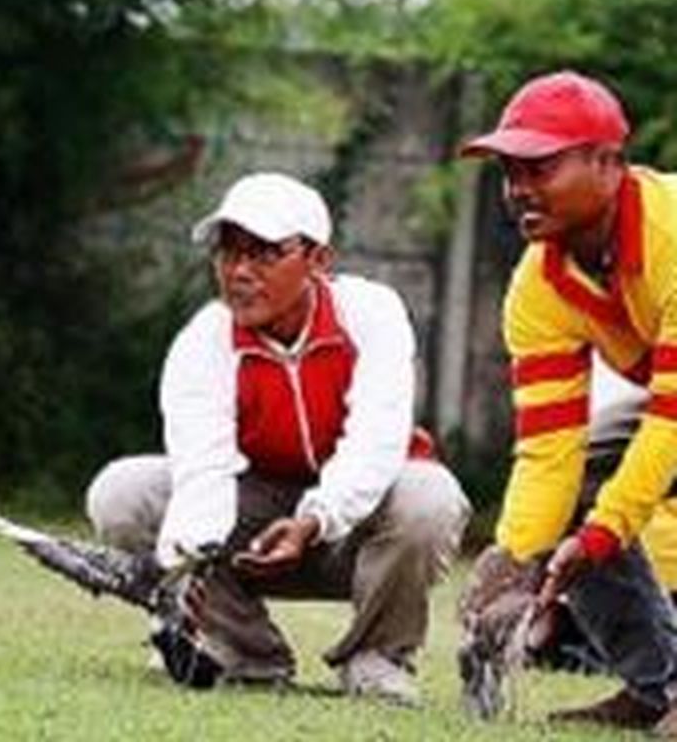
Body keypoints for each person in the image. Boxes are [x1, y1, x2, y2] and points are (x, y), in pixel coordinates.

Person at [84, 171, 471, 705]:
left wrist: (315, 520)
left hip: (357, 536)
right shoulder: (204, 341)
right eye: (228, 253)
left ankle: (377, 659)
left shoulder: (372, 313)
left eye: (265, 254)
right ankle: (242, 652)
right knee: (123, 492)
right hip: (254, 526)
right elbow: (203, 472)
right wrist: (182, 574)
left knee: (430, 496)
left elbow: (375, 443)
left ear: (318, 261)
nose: (239, 272)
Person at [458, 70, 677, 734]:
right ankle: (658, 687)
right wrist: (512, 560)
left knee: (602, 511)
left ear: (610, 164)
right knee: (574, 486)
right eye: (509, 171)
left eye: (540, 167)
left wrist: (603, 532)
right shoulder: (538, 286)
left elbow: (672, 419)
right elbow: (550, 450)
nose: (519, 187)